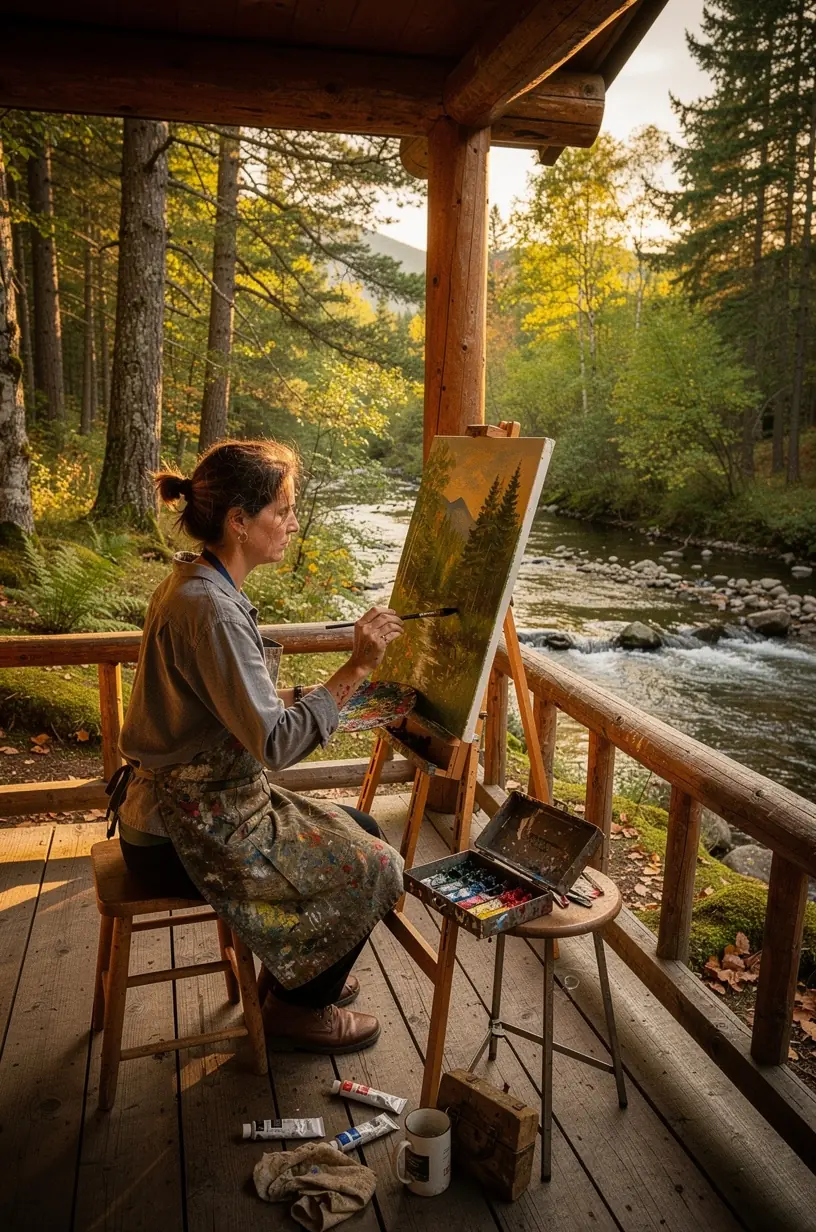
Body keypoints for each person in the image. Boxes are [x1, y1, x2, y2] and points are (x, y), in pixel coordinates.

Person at [110, 439, 405, 1053]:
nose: (292, 522)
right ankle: (295, 1013)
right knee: (377, 867)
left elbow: (230, 707)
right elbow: (274, 744)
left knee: (362, 825)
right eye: (283, 510)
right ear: (239, 522)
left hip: (190, 812)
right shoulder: (211, 609)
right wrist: (355, 668)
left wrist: (312, 694)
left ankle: (294, 985)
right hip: (182, 833)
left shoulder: (195, 582)